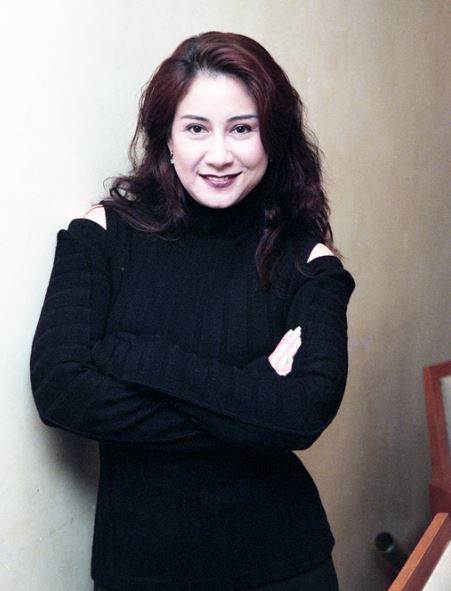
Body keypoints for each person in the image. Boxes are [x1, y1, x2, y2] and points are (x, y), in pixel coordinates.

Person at [30, 31, 355, 590]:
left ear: (273, 137)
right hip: (139, 570)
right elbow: (61, 393)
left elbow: (302, 416)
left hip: (282, 566)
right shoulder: (103, 234)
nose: (220, 154)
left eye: (243, 128)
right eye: (197, 128)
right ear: (167, 138)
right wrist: (254, 401)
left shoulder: (308, 262)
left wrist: (138, 358)